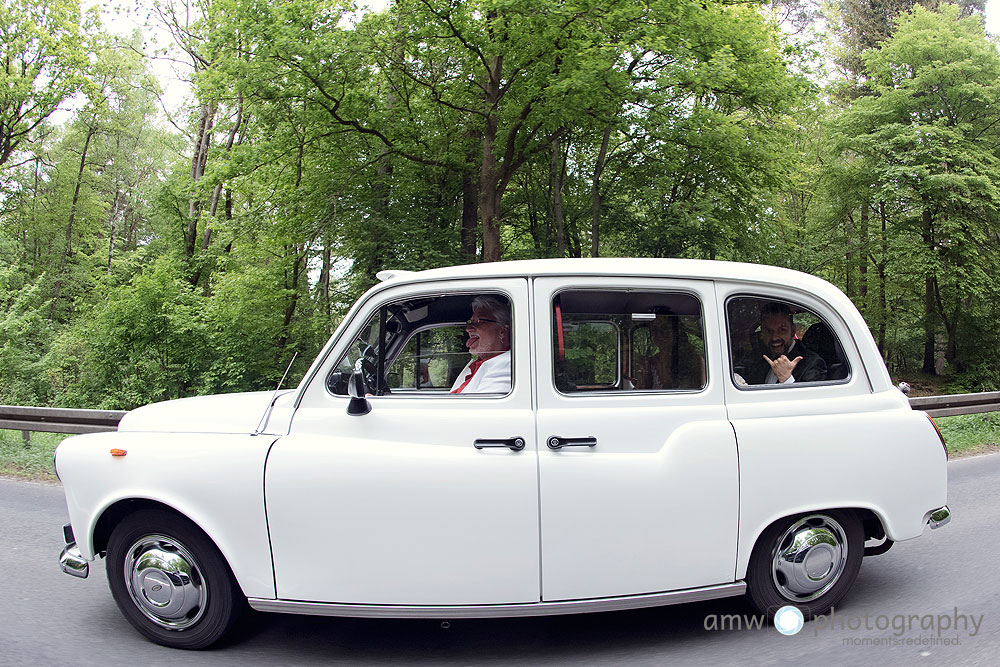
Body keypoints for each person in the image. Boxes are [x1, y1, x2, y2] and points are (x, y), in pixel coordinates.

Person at [739, 302, 826, 385]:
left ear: (792, 331)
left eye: (782, 330)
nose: (774, 337)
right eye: (768, 331)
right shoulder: (758, 358)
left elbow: (812, 399)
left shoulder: (812, 363)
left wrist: (787, 379)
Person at [450, 296, 512, 393]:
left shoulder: (506, 365)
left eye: (479, 321)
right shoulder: (479, 363)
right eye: (470, 322)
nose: (468, 328)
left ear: (502, 331)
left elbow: (481, 407)